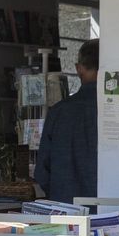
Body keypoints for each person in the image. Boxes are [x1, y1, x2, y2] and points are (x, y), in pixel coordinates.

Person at [34, 40, 98, 204]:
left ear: (79, 68)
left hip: (65, 210)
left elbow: (42, 172)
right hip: (113, 210)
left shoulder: (58, 112)